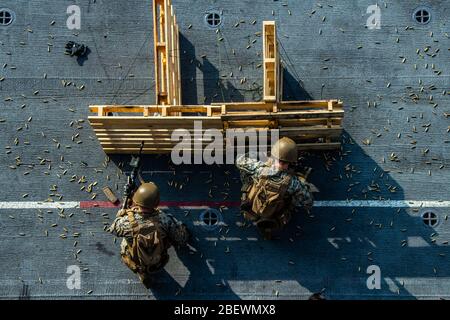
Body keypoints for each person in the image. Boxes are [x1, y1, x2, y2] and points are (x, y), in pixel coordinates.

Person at [108, 182, 190, 288]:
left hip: (135, 260)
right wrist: (182, 228)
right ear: (156, 203)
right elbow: (181, 239)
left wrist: (121, 214)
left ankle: (141, 271)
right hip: (158, 262)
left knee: (126, 241)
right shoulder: (163, 219)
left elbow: (113, 229)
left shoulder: (125, 222)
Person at [236, 137, 315, 239]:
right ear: (290, 162)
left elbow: (239, 160)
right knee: (296, 194)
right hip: (275, 214)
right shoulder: (293, 182)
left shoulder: (260, 168)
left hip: (252, 208)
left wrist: (260, 156)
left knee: (246, 174)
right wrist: (303, 184)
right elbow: (309, 202)